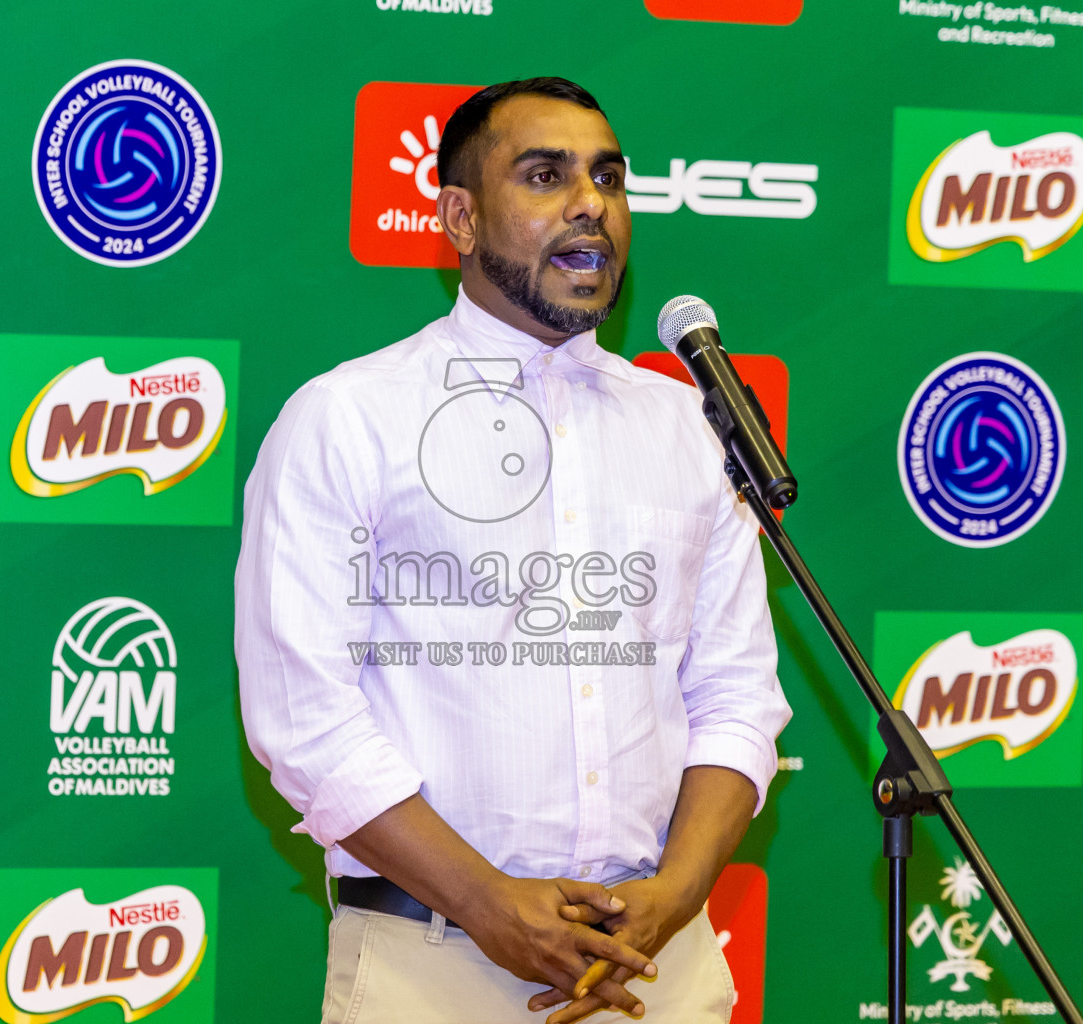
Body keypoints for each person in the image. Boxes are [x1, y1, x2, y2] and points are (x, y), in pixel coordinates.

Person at [235, 77, 790, 1023]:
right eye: (545, 175)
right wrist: (490, 903)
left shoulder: (689, 428)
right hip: (435, 966)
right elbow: (305, 721)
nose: (591, 204)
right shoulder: (350, 418)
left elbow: (736, 698)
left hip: (659, 966)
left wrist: (676, 897)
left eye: (608, 179)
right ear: (458, 215)